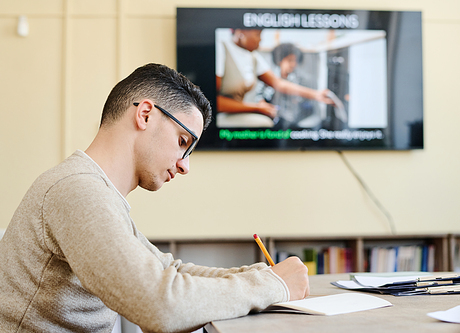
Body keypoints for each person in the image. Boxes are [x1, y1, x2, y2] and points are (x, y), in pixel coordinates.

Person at [0, 63, 309, 332]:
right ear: (145, 114)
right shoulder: (76, 190)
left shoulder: (96, 192)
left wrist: (259, 275)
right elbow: (159, 308)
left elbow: (166, 270)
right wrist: (271, 285)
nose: (185, 165)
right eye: (182, 142)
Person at [216, 29, 334, 128]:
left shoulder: (252, 56)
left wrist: (316, 95)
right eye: (258, 34)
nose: (260, 39)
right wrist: (258, 108)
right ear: (240, 31)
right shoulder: (221, 50)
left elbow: (278, 84)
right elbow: (211, 100)